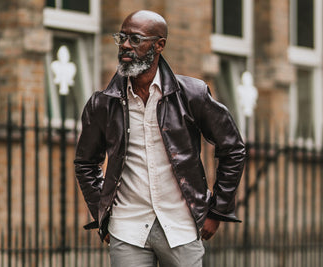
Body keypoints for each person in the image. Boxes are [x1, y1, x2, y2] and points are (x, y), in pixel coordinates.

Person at [74, 10, 246, 267]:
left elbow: (233, 148)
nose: (124, 45)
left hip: (181, 226)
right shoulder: (103, 104)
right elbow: (86, 163)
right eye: (121, 37)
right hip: (127, 228)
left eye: (134, 39)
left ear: (159, 44)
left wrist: (218, 210)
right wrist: (103, 216)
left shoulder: (192, 95)